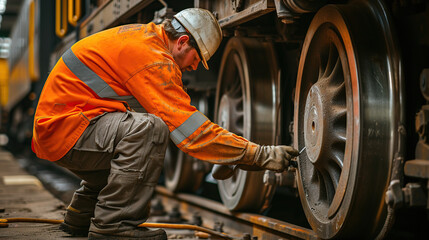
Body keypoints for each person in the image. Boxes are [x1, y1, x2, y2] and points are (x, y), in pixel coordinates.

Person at [31, 8, 299, 240]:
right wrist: (258, 155)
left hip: (64, 128)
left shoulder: (144, 37)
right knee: (149, 130)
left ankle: (80, 214)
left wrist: (227, 153)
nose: (194, 68)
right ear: (182, 42)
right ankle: (113, 227)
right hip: (66, 131)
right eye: (196, 59)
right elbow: (192, 134)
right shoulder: (154, 59)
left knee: (132, 133)